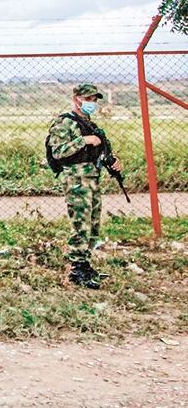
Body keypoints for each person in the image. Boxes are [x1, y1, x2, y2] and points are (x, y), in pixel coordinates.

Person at [46, 83, 123, 289]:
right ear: (76, 99)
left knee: (93, 223)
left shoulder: (90, 124)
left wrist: (113, 161)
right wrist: (84, 141)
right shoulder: (65, 123)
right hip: (76, 179)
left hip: (92, 177)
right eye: (87, 99)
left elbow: (102, 152)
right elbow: (58, 151)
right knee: (81, 222)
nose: (92, 103)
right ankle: (76, 267)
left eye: (94, 100)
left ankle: (85, 263)